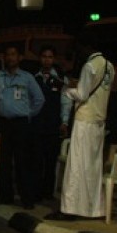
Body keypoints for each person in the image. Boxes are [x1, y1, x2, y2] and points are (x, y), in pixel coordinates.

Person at [47, 31, 115, 220]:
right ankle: (93, 209)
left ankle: (70, 209)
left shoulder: (90, 66)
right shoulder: (110, 66)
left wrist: (67, 91)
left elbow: (83, 94)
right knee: (92, 166)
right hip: (99, 121)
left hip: (85, 121)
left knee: (76, 164)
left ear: (87, 47)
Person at [0, 44, 45, 209]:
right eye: (7, 55)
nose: (10, 58)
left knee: (23, 162)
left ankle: (26, 198)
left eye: (13, 54)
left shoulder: (27, 77)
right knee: (3, 162)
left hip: (21, 124)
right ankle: (6, 196)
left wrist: (28, 113)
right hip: (3, 124)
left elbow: (39, 99)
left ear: (19, 58)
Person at [32, 45, 72, 202]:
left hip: (53, 126)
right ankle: (35, 193)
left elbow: (66, 102)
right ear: (40, 58)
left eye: (50, 57)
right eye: (44, 56)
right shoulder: (34, 78)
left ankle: (47, 193)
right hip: (36, 125)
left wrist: (64, 122)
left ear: (53, 59)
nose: (46, 60)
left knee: (50, 163)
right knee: (36, 162)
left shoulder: (61, 79)